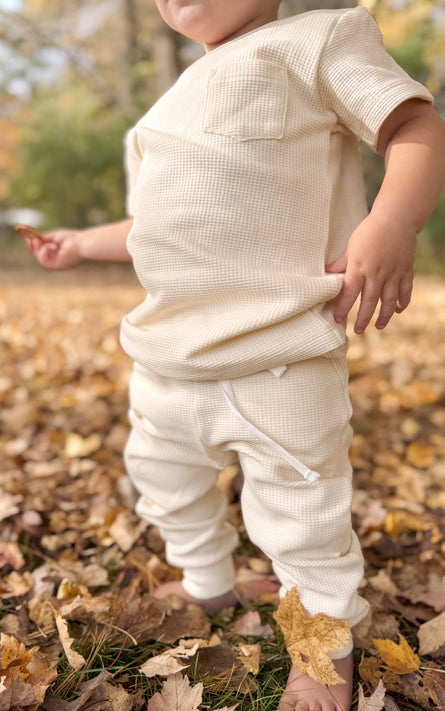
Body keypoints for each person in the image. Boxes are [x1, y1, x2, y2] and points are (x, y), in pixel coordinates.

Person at [23, 1, 445, 708]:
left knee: (300, 508)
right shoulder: (165, 106)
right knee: (164, 482)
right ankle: (206, 580)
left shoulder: (316, 41)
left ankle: (320, 648)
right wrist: (81, 242)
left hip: (277, 356)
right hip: (165, 358)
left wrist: (391, 221)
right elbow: (154, 225)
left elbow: (415, 126)